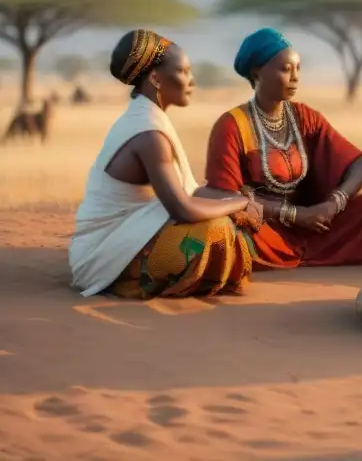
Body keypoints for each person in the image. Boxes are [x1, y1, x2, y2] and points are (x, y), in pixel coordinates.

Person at [69, 30, 261, 299]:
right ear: (156, 79)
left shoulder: (149, 117)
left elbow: (188, 191)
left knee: (229, 225)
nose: (191, 81)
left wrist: (237, 199)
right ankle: (132, 281)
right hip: (101, 253)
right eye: (183, 71)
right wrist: (239, 204)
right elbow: (182, 208)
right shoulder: (149, 134)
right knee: (217, 231)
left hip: (127, 237)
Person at [203, 28, 362, 268]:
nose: (295, 77)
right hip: (262, 225)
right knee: (229, 227)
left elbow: (358, 165)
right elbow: (224, 196)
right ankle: (304, 254)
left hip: (314, 221)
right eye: (286, 69)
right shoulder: (231, 125)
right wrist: (295, 216)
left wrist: (331, 205)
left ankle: (297, 254)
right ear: (257, 73)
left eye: (298, 68)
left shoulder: (305, 117)